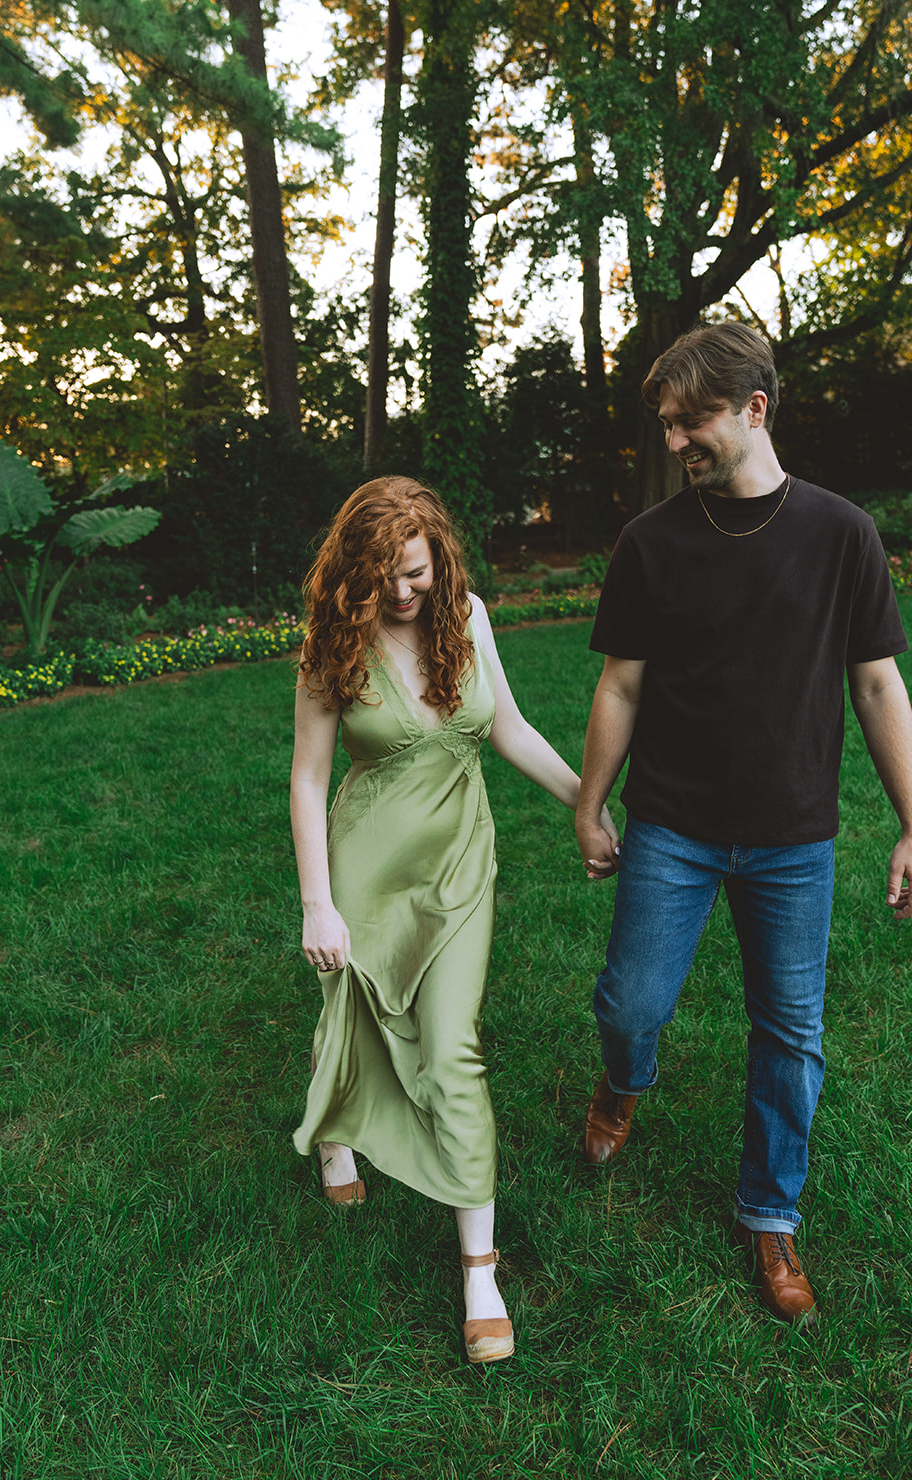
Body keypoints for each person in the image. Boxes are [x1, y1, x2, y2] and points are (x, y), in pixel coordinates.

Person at [574, 322, 912, 1326]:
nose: (673, 442)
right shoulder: (650, 543)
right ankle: (621, 1083)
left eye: (689, 422)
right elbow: (620, 684)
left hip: (791, 837)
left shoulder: (840, 534)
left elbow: (875, 684)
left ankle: (769, 1214)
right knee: (631, 1006)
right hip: (672, 826)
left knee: (789, 1031)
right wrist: (590, 802)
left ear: (753, 409)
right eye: (666, 424)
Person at [291, 476, 612, 1364]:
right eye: (384, 576)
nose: (403, 592)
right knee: (355, 1010)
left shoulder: (465, 618)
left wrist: (586, 808)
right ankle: (336, 1135)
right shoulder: (331, 643)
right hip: (365, 868)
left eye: (416, 572)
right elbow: (308, 780)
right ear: (355, 569)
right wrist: (318, 902)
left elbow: (508, 728)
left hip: (461, 867)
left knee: (451, 1050)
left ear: (440, 562)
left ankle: (479, 1270)